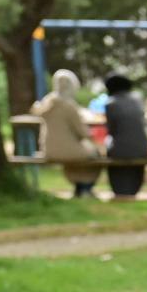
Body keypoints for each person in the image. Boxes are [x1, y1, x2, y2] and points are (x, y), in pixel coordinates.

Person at [30, 70, 100, 198]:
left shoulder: (47, 102)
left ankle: (79, 188)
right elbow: (83, 132)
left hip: (48, 149)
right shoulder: (69, 105)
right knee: (95, 154)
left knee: (80, 155)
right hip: (69, 150)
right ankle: (85, 188)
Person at [102, 75, 147, 201]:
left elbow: (111, 130)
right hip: (143, 148)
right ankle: (132, 192)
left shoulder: (110, 103)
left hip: (120, 149)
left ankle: (119, 192)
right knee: (133, 157)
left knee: (111, 150)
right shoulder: (138, 101)